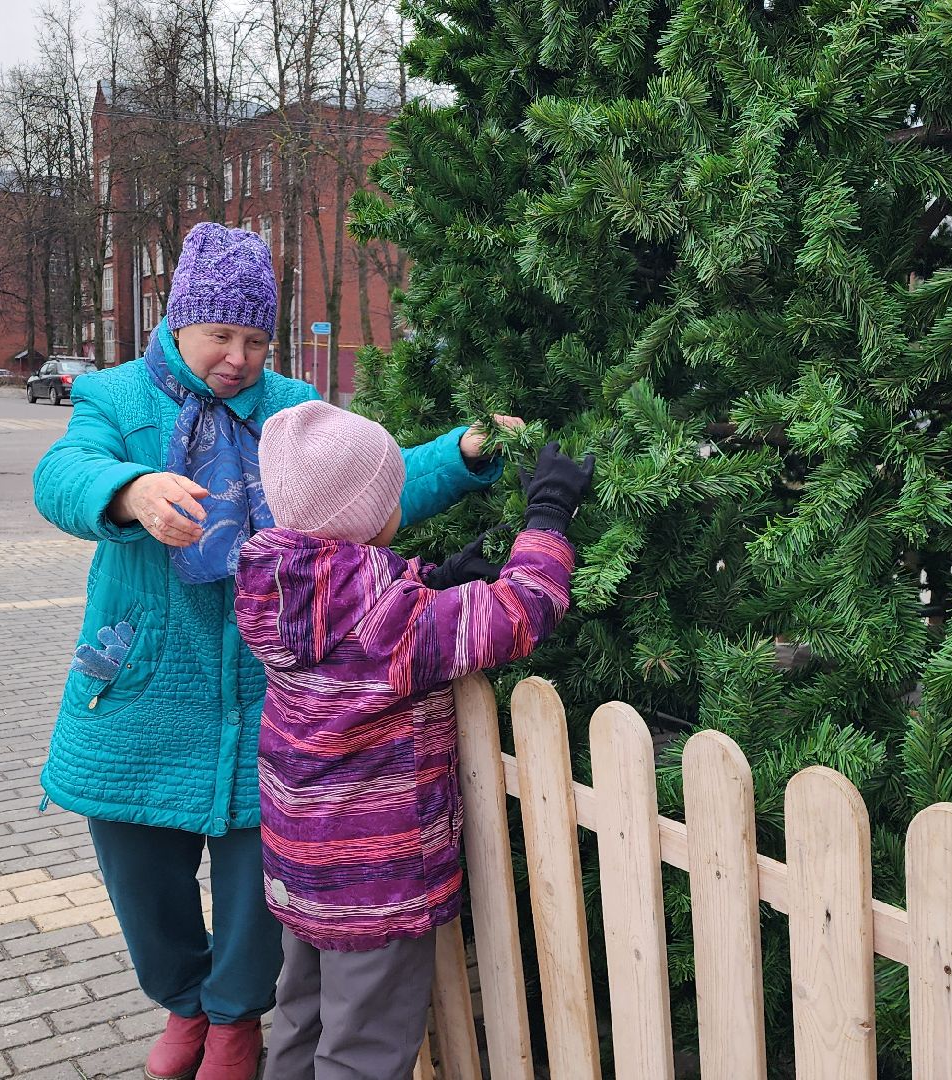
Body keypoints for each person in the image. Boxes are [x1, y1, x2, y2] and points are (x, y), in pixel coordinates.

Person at [31, 223, 519, 1080]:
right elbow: (59, 473)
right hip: (143, 685)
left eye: (257, 338)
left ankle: (231, 1023)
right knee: (143, 881)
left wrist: (463, 453)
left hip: (268, 703)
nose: (240, 357)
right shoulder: (115, 398)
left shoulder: (291, 408)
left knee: (261, 893)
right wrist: (129, 489)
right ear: (178, 320)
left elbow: (372, 483)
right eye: (222, 335)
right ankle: (183, 1002)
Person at [235, 405, 591, 1080]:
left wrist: (427, 581)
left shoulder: (270, 584)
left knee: (302, 1017)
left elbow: (357, 608)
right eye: (389, 494)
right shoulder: (392, 624)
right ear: (366, 516)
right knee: (363, 1052)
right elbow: (521, 612)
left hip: (301, 865)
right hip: (376, 878)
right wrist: (548, 513)